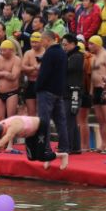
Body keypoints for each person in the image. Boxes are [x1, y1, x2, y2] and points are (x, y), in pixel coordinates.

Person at [0, 115, 69, 169]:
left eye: (2, 136)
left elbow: (0, 144)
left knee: (40, 156)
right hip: (29, 134)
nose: (2, 137)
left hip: (40, 127)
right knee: (31, 158)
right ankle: (49, 157)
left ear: (4, 131)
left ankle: (63, 155)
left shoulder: (13, 127)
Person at [35, 30, 68, 159]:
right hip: (58, 91)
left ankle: (45, 148)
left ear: (47, 40)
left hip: (46, 91)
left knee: (44, 121)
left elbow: (44, 74)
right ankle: (65, 147)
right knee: (60, 121)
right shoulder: (62, 52)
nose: (41, 42)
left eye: (41, 40)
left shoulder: (50, 53)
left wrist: (37, 87)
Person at [86, 36, 106, 154]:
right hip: (96, 90)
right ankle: (103, 143)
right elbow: (93, 75)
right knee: (100, 120)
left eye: (91, 44)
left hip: (105, 89)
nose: (89, 46)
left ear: (98, 44)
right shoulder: (94, 57)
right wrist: (91, 92)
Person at [0, 40, 22, 122]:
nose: (2, 52)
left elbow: (13, 76)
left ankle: (11, 134)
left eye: (4, 50)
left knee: (10, 118)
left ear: (11, 50)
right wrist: (5, 73)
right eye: (1, 50)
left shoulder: (16, 60)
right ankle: (2, 134)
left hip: (11, 93)